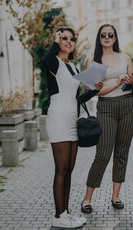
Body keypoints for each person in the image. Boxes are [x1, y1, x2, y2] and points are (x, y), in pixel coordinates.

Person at [42, 27, 103, 228]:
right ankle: (58, 216)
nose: (68, 41)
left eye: (71, 38)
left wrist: (94, 90)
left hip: (72, 119)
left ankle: (66, 213)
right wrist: (54, 41)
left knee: (69, 169)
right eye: (63, 38)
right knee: (61, 169)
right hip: (58, 118)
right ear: (58, 40)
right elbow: (45, 61)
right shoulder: (54, 63)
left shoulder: (74, 68)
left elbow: (76, 98)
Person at [80, 24, 133, 214]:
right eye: (103, 34)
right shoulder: (92, 61)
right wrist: (117, 82)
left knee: (122, 153)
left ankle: (116, 196)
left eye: (110, 35)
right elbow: (94, 92)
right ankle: (87, 198)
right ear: (99, 38)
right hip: (106, 108)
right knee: (103, 155)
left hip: (128, 106)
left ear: (115, 38)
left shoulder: (125, 58)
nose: (107, 37)